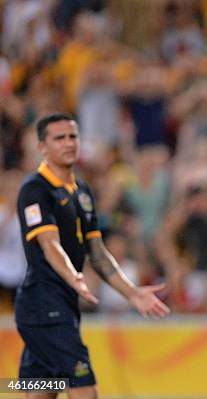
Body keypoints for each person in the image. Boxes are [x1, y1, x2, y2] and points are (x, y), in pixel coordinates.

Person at [15, 113, 171, 399]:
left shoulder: (82, 192)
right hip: (44, 301)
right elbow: (49, 244)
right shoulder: (35, 189)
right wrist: (72, 275)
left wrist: (133, 293)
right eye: (58, 138)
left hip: (59, 303)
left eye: (72, 136)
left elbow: (96, 252)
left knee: (42, 390)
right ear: (42, 147)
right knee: (85, 389)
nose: (68, 143)